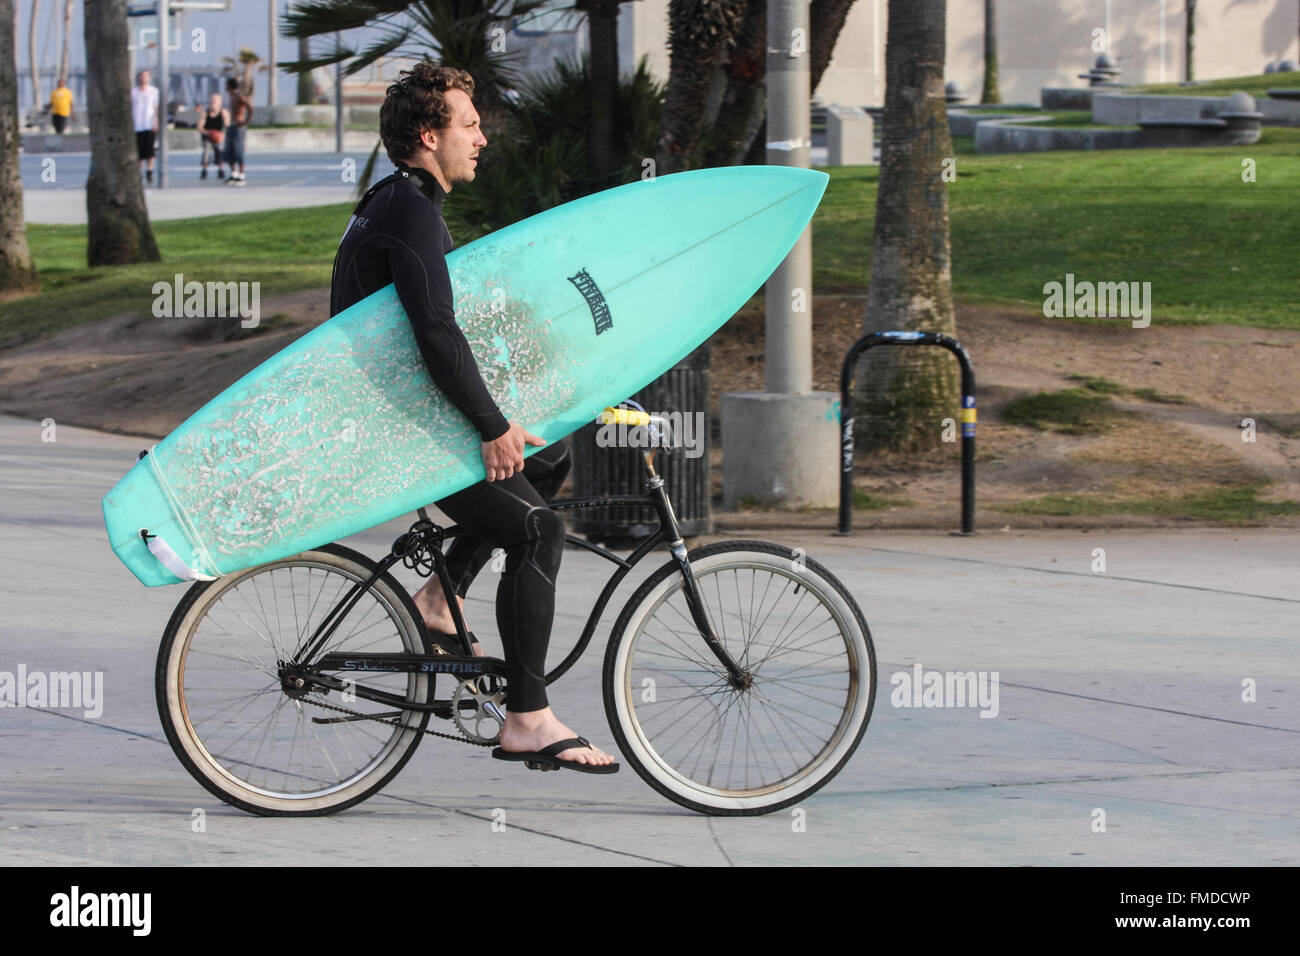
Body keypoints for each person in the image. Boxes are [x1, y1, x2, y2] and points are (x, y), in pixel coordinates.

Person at [328, 62, 617, 773]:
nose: (483, 137)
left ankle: (439, 597)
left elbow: (444, 328)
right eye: (470, 124)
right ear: (429, 136)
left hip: (396, 410)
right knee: (537, 531)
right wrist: (489, 427)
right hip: (400, 428)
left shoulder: (396, 200)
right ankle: (527, 716)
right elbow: (435, 331)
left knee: (547, 459)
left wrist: (524, 408)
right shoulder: (411, 209)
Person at [131, 70, 160, 185]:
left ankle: (150, 170)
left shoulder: (154, 91)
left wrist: (156, 121)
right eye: (142, 76)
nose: (143, 78)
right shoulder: (133, 92)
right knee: (139, 152)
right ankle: (139, 173)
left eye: (146, 76)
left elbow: (156, 107)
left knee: (150, 150)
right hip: (137, 125)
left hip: (149, 124)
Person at [223, 77, 253, 185]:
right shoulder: (231, 96)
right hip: (231, 126)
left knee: (238, 151)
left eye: (226, 85)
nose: (225, 87)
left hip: (238, 127)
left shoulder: (239, 96)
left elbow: (250, 109)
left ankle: (242, 175)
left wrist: (245, 122)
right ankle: (233, 174)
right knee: (229, 150)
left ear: (230, 86)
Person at [196, 93, 229, 180]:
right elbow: (199, 127)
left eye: (216, 100)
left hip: (218, 136)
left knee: (219, 151)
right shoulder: (205, 113)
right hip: (207, 136)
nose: (214, 102)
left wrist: (222, 134)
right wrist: (208, 132)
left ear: (220, 102)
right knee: (206, 151)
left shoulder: (224, 112)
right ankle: (204, 170)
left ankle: (220, 169)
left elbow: (227, 126)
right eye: (212, 100)